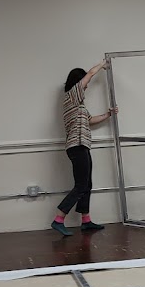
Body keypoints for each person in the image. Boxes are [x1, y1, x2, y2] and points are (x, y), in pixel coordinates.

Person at [51, 59, 117, 237]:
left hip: (82, 145)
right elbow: (88, 76)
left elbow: (90, 120)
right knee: (81, 185)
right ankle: (58, 219)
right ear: (77, 83)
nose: (86, 88)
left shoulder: (79, 105)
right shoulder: (72, 96)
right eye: (83, 85)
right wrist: (102, 65)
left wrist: (108, 114)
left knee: (86, 184)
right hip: (77, 145)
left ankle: (86, 221)